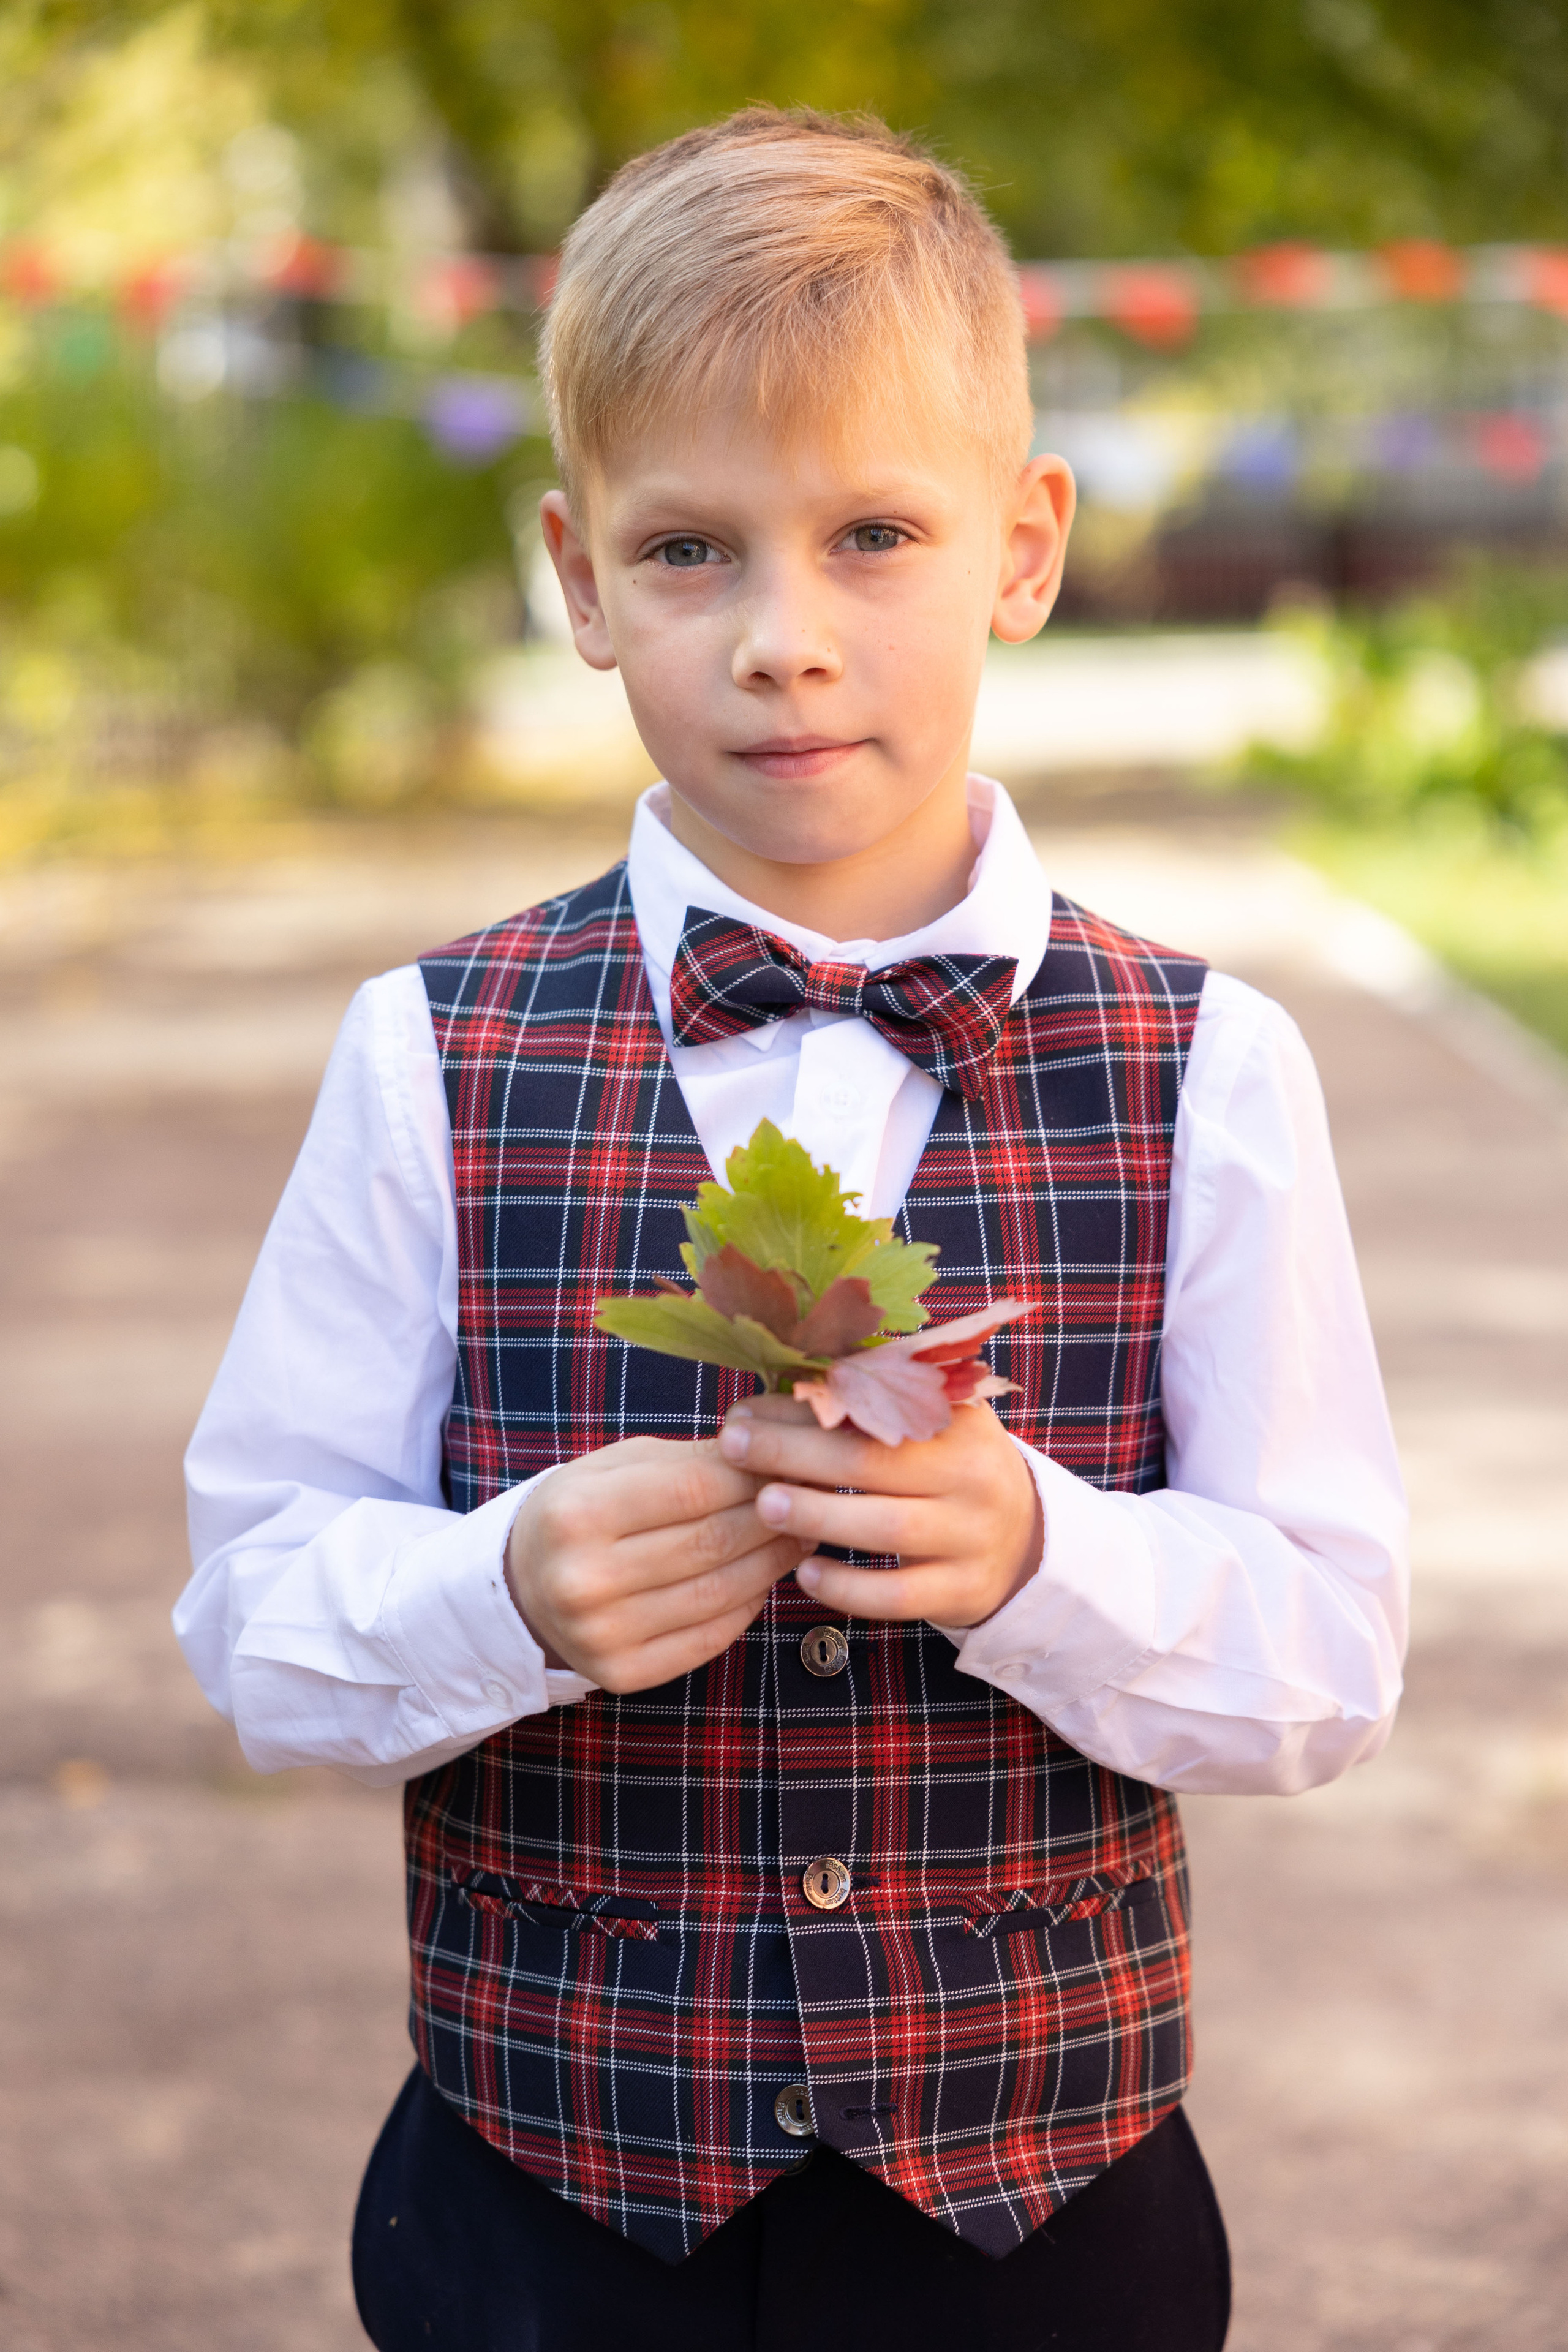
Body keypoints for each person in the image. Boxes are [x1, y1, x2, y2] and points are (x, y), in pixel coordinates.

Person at [175, 107, 1407, 2352]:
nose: (783, 641)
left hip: (1046, 2213)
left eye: (873, 536)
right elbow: (257, 1618)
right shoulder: (429, 1051)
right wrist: (501, 1591)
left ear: (1023, 547)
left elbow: (1326, 1659)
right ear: (577, 579)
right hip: (548, 2204)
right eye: (689, 551)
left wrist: (1042, 1554)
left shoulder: (1211, 1066)